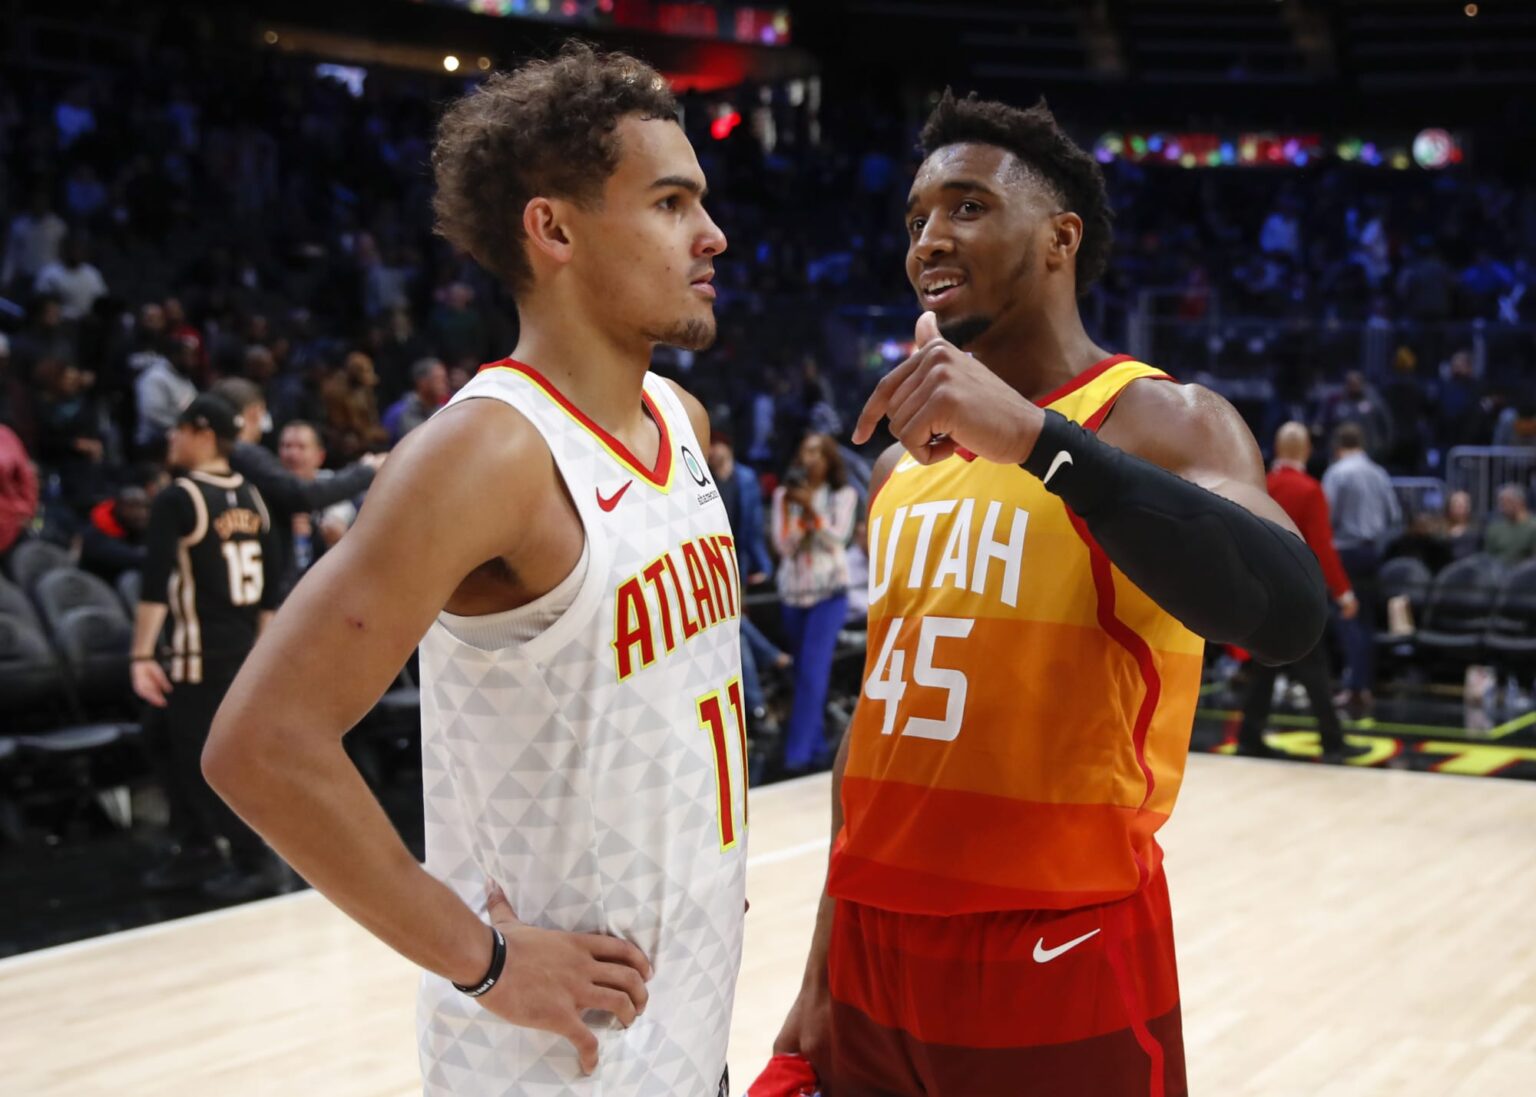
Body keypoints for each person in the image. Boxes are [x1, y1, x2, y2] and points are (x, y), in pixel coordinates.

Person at [203, 45, 744, 1095]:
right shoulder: (486, 452)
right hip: (550, 1062)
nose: (711, 233)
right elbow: (261, 743)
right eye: (671, 203)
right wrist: (483, 960)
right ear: (554, 229)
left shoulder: (680, 420)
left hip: (687, 1028)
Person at [771, 91, 1325, 1097]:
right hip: (871, 951)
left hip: (1057, 946)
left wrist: (1038, 441)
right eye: (916, 217)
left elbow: (1287, 611)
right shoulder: (903, 469)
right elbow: (881, 732)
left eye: (968, 206)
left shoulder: (1159, 417)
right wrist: (819, 968)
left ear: (1060, 238)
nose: (931, 238)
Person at [131, 395, 281, 901]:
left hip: (197, 657)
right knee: (159, 736)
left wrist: (141, 655)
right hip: (241, 652)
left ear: (202, 433)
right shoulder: (253, 496)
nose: (170, 439)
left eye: (177, 430)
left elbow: (155, 585)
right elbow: (271, 591)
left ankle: (254, 857)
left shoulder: (180, 498)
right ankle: (198, 847)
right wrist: (262, 654)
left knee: (208, 761)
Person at [1237, 423, 1363, 763]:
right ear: (1306, 451)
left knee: (1265, 666)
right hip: (1296, 595)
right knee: (1314, 668)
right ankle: (1333, 742)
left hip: (1259, 592)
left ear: (1278, 449)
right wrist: (1344, 593)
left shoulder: (1259, 486)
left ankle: (1249, 737)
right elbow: (1321, 548)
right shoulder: (1309, 490)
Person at [213, 378, 379, 604]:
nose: (292, 454)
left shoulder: (330, 487)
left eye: (301, 447)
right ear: (255, 412)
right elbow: (303, 495)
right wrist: (368, 470)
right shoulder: (246, 456)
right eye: (286, 446)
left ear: (320, 455)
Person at [771, 432, 859, 773]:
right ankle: (818, 747)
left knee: (812, 671)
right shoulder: (783, 495)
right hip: (793, 593)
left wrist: (812, 510)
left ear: (828, 459)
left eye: (816, 453)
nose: (809, 459)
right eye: (804, 452)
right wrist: (794, 512)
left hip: (830, 593)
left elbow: (839, 538)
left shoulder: (843, 494)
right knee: (803, 673)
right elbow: (783, 546)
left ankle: (796, 756)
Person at [1321, 421, 1401, 712]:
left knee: (1347, 620)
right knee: (1366, 621)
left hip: (1345, 552)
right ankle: (1365, 684)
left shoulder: (1337, 473)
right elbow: (1395, 517)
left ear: (1337, 446)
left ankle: (1354, 686)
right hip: (1371, 553)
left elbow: (1325, 517)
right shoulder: (1379, 473)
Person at [382, 356, 448, 443]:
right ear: (422, 382)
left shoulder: (445, 411)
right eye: (438, 379)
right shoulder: (397, 414)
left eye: (444, 379)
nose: (444, 384)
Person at [1484, 484, 1536, 566]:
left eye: (1507, 502)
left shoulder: (1533, 526)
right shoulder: (1495, 528)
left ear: (1520, 502)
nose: (1502, 507)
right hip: (1498, 571)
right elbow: (1488, 557)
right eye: (1501, 503)